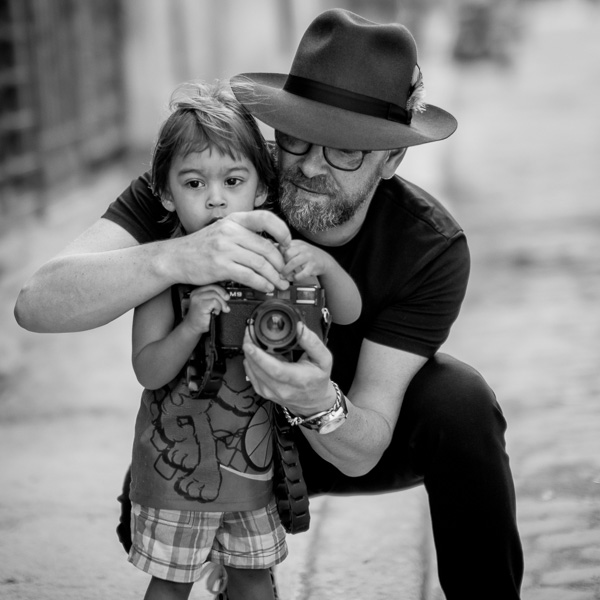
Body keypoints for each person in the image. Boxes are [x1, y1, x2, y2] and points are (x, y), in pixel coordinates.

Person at [14, 9, 523, 600]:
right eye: (297, 137)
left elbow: (363, 450)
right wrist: (179, 257)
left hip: (332, 438)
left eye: (346, 152)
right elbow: (36, 305)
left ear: (391, 160)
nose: (309, 165)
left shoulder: (428, 248)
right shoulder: (214, 182)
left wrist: (315, 402)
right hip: (200, 437)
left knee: (461, 403)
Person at [118, 81, 361, 600]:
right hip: (174, 472)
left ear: (261, 189)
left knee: (254, 583)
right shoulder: (163, 271)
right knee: (170, 586)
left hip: (252, 473)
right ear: (164, 193)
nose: (216, 199)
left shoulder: (275, 258)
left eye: (233, 179)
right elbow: (148, 370)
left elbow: (349, 311)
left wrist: (325, 266)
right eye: (193, 183)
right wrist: (190, 326)